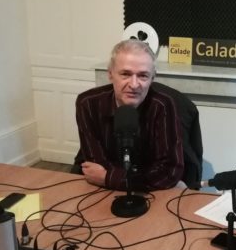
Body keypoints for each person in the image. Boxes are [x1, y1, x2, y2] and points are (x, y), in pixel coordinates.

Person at [74, 39, 184, 191]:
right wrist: (120, 179)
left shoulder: (164, 105)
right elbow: (95, 164)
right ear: (110, 74)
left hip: (146, 186)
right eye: (125, 74)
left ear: (152, 78)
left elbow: (170, 170)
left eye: (143, 76)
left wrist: (110, 178)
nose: (134, 84)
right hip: (129, 182)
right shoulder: (87, 103)